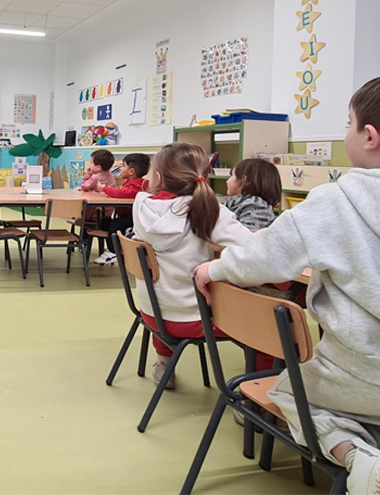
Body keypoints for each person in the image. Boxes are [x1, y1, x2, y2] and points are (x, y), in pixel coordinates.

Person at [195, 69, 380, 495]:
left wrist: (212, 269)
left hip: (362, 377)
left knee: (290, 393)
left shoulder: (337, 200)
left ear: (370, 137)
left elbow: (263, 258)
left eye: (349, 123)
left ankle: (356, 457)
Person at [131, 142, 253, 389]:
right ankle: (256, 397)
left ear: (157, 177)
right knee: (270, 324)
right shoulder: (207, 208)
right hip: (192, 320)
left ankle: (164, 363)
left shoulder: (141, 205)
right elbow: (253, 249)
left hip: (153, 315)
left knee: (168, 284)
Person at [93, 152, 151, 266]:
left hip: (134, 218)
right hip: (125, 215)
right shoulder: (129, 182)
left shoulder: (139, 184)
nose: (120, 168)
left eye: (123, 165)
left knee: (115, 225)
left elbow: (122, 193)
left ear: (131, 171)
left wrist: (105, 189)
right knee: (105, 223)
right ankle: (115, 246)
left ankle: (113, 251)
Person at [223, 158, 282, 230]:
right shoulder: (234, 202)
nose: (227, 181)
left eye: (232, 175)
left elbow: (247, 236)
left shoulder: (256, 205)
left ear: (244, 180)